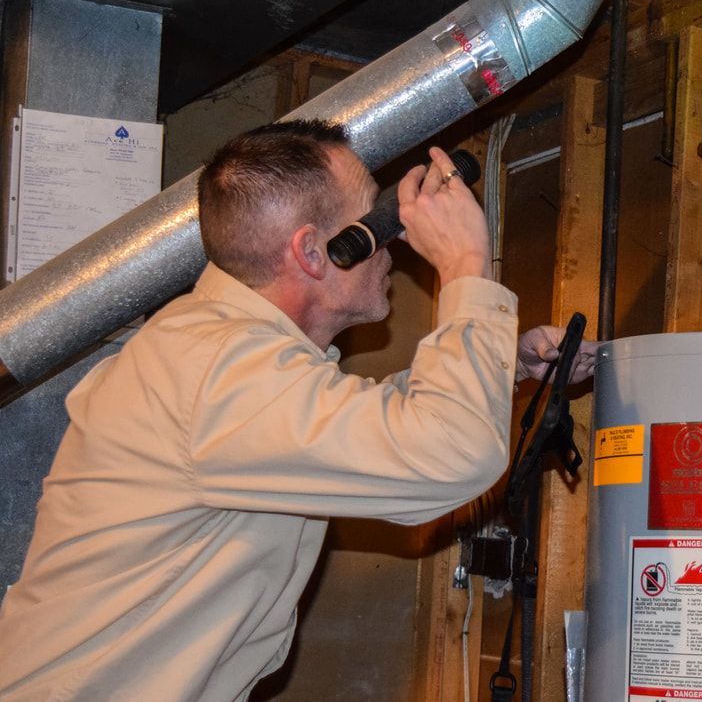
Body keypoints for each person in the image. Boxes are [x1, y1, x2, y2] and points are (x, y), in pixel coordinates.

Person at [0, 120, 595, 701]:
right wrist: (466, 262)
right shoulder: (215, 368)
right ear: (314, 251)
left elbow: (372, 427)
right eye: (377, 221)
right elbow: (449, 455)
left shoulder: (220, 354)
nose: (394, 242)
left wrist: (502, 362)